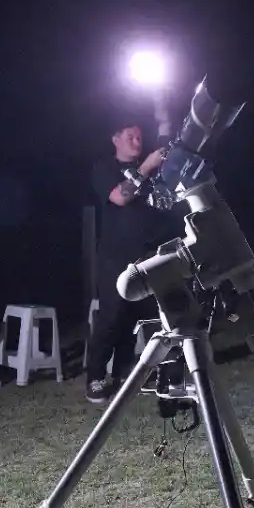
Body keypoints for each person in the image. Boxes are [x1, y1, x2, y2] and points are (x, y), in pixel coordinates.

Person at [85, 120, 170, 404]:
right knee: (110, 317)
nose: (137, 141)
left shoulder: (152, 173)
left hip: (146, 255)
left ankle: (122, 373)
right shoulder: (104, 168)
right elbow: (118, 198)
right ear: (115, 139)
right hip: (114, 257)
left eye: (139, 136)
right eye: (130, 137)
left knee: (135, 317)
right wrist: (145, 167)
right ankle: (95, 377)